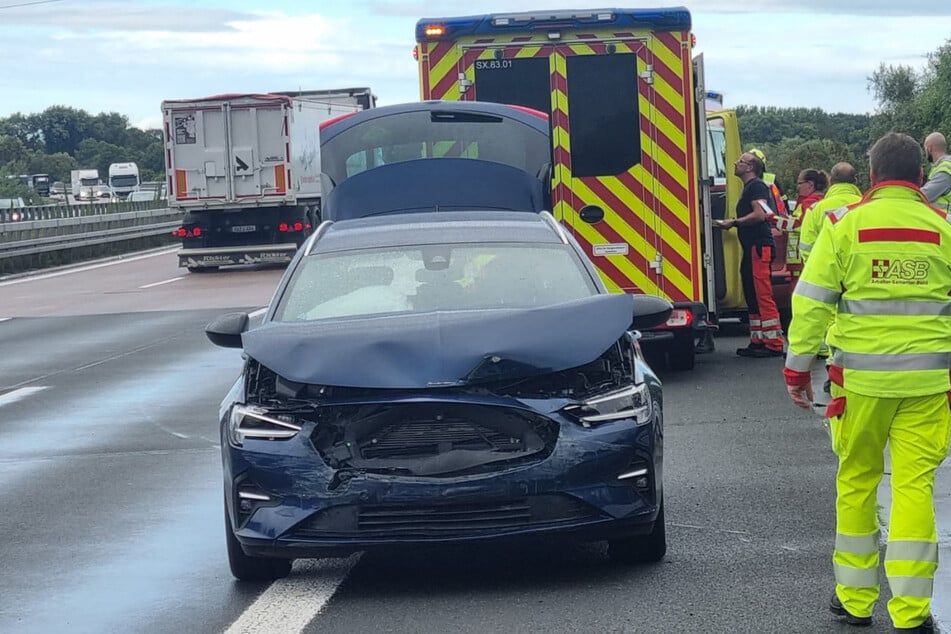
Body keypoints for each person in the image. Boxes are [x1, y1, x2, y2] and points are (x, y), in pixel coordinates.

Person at [783, 132, 951, 632]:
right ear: (920, 175)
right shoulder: (944, 226)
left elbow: (811, 302)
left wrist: (797, 369)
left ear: (872, 175)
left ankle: (855, 602)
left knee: (856, 483)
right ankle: (912, 611)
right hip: (928, 386)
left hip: (857, 386)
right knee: (914, 488)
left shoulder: (844, 224)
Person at [718, 152, 785, 357]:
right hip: (752, 248)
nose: (735, 163)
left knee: (762, 294)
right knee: (752, 294)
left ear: (750, 167)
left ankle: (774, 343)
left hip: (759, 247)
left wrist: (734, 222)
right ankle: (758, 340)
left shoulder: (756, 186)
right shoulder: (750, 187)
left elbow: (759, 214)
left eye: (740, 161)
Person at [799, 163, 862, 264]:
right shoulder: (868, 206)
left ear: (830, 181)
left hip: (825, 273)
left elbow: (807, 247)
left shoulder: (815, 209)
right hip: (857, 272)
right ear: (855, 181)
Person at [774, 168, 827, 281]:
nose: (798, 187)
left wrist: (772, 218)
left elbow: (797, 226)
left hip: (801, 257)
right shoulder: (816, 200)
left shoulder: (810, 202)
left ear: (810, 184)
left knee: (796, 288)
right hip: (805, 256)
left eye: (800, 183)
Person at [750, 147, 789, 214]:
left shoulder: (771, 178)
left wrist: (787, 213)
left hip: (770, 217)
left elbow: (782, 198)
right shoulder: (743, 179)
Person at [922, 132, 951, 210]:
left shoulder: (945, 170)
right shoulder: (940, 166)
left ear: (929, 148)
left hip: (945, 220)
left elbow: (924, 195)